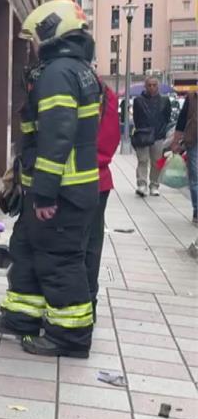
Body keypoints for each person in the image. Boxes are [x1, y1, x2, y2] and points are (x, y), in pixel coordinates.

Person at [0, 0, 101, 358]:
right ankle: (22, 317)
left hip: (61, 193)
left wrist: (46, 195)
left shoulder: (58, 74)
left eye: (34, 37)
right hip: (59, 189)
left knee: (59, 261)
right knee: (27, 250)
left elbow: (56, 137)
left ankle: (70, 336)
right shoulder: (76, 69)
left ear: (51, 31)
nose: (32, 46)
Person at [86, 79, 121, 316]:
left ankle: (80, 303)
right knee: (92, 243)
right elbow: (111, 137)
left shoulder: (72, 84)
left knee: (77, 245)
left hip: (78, 181)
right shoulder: (106, 92)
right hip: (101, 181)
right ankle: (90, 301)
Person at [131, 77, 172, 197]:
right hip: (143, 134)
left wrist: (162, 130)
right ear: (145, 86)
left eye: (154, 85)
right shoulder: (138, 100)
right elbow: (136, 118)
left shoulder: (164, 100)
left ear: (158, 86)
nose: (152, 87)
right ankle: (142, 184)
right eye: (149, 85)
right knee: (142, 160)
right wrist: (141, 129)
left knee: (156, 162)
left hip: (158, 135)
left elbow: (167, 117)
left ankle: (154, 185)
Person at [170, 90, 198, 223]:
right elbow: (181, 120)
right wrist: (176, 141)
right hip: (193, 141)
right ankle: (197, 210)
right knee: (195, 176)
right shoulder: (192, 97)